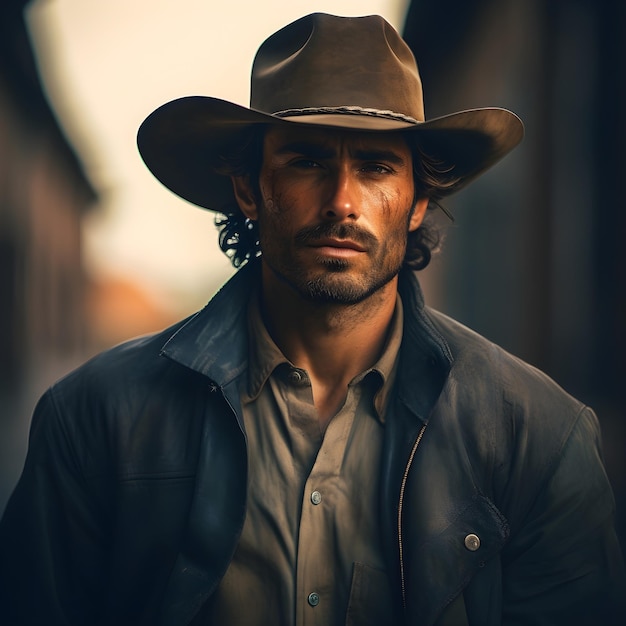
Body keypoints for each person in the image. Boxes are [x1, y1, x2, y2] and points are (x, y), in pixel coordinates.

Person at [0, 12, 623, 626]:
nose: (342, 203)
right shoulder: (95, 419)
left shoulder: (537, 435)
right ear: (248, 187)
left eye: (377, 166)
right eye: (307, 161)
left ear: (418, 200)